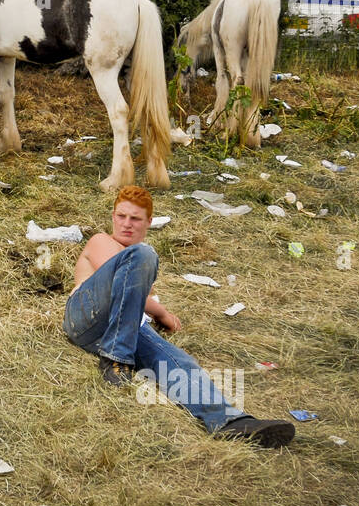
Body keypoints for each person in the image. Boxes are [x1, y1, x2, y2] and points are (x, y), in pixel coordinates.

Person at [63, 185, 295, 447]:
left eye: (135, 218)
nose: (126, 224)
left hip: (126, 328)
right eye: (121, 216)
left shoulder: (142, 261)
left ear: (149, 222)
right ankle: (115, 359)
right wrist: (162, 312)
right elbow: (122, 278)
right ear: (113, 216)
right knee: (143, 254)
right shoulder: (103, 241)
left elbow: (134, 294)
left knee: (178, 361)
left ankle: (229, 421)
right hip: (85, 317)